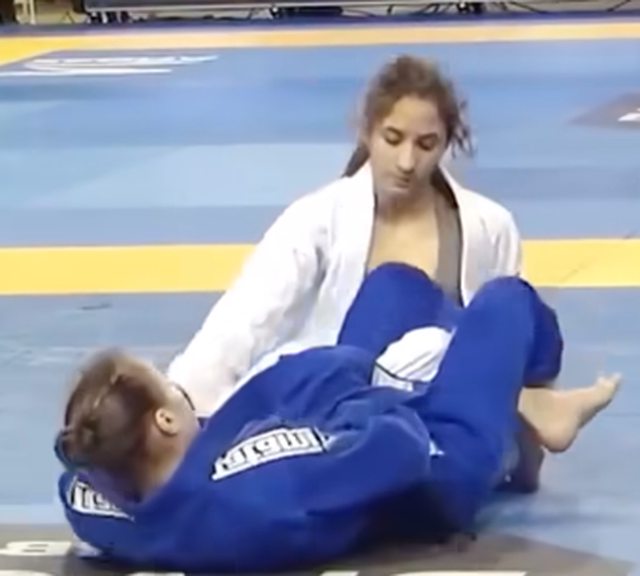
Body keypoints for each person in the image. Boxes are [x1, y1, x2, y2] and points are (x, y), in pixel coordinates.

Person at [56, 264, 620, 573]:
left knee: (395, 285)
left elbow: (74, 474)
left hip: (332, 409)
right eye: (168, 385)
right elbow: (398, 448)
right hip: (432, 468)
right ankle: (531, 412)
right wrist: (376, 387)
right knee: (506, 300)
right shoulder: (255, 491)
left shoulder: (111, 501)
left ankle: (496, 391)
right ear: (164, 423)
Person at [167, 54, 542, 491]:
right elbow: (248, 315)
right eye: (393, 139)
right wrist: (180, 403)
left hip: (441, 422)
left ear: (446, 145)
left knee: (500, 315)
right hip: (333, 421)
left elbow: (507, 342)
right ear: (367, 131)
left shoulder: (489, 227)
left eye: (426, 145)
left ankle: (522, 422)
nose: (407, 161)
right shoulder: (319, 218)